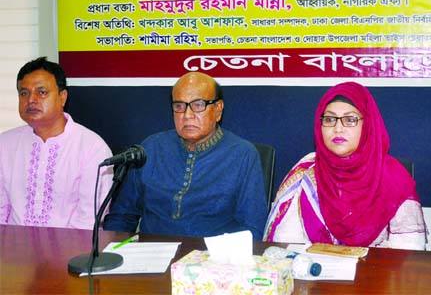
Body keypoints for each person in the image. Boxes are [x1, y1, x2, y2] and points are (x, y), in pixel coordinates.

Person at [103, 72, 267, 240]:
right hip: (151, 256)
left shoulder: (242, 155)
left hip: (211, 259)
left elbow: (252, 229)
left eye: (198, 105)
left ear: (218, 110)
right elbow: (121, 216)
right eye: (179, 106)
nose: (187, 115)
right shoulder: (150, 148)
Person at [264, 82, 426, 249]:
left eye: (350, 120)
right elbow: (283, 244)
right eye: (329, 119)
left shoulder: (393, 177)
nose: (338, 128)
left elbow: (409, 253)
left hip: (378, 274)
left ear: (368, 125)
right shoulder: (305, 172)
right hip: (311, 272)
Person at [0, 57, 113, 229]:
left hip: (73, 251)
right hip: (11, 250)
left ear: (62, 97)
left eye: (42, 92)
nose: (31, 99)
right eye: (24, 93)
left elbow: (89, 222)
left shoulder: (92, 148)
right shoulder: (5, 145)